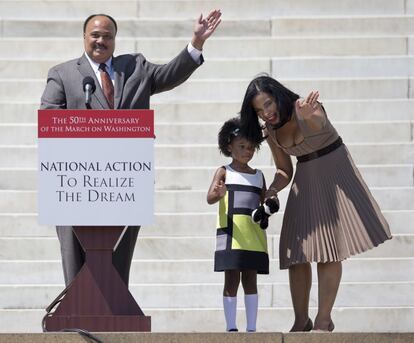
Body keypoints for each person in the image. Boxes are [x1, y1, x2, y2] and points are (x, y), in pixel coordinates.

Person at [40, 11, 221, 287]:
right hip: (76, 180)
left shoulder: (136, 66)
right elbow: (50, 119)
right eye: (95, 35)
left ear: (115, 39)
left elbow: (170, 74)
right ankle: (75, 312)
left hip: (125, 178)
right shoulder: (63, 74)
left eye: (107, 36)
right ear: (84, 37)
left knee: (118, 258)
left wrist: (196, 42)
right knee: (76, 256)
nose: (101, 41)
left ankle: (115, 313)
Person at [239, 75, 392, 332]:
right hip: (306, 177)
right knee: (296, 253)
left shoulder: (306, 108)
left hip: (335, 171)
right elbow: (284, 170)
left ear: (277, 95)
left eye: (268, 104)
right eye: (258, 110)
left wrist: (309, 114)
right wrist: (272, 190)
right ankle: (301, 320)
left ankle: (324, 319)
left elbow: (320, 122)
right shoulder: (271, 131)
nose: (266, 113)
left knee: (328, 248)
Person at [206, 117, 270, 332]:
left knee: (251, 280)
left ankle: (252, 328)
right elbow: (210, 198)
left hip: (253, 237)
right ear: (228, 146)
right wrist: (218, 193)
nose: (247, 151)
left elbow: (266, 202)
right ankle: (231, 327)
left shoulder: (259, 176)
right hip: (230, 236)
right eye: (242, 146)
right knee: (231, 280)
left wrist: (270, 205)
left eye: (251, 147)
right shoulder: (224, 172)